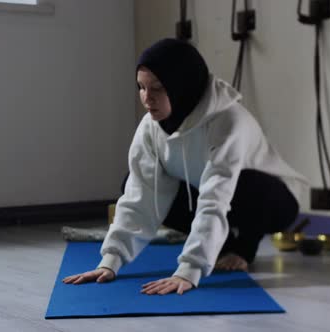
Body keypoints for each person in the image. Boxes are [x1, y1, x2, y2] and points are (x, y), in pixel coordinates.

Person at [63, 38, 308, 295]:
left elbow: (215, 197)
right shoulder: (150, 127)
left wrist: (190, 270)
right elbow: (140, 197)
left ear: (182, 87)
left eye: (157, 88)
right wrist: (110, 262)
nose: (147, 98)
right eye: (141, 87)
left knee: (246, 185)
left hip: (274, 202)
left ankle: (244, 247)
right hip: (208, 191)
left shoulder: (229, 121)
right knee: (133, 182)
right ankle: (223, 246)